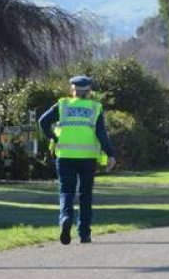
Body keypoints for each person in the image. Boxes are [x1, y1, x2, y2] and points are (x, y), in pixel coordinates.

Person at [39, 75, 116, 245]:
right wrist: (111, 154)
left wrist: (53, 137)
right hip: (88, 158)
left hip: (65, 156)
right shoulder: (95, 108)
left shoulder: (63, 105)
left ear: (72, 90)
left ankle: (66, 217)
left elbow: (43, 121)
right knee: (85, 194)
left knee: (66, 191)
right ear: (89, 91)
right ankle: (84, 233)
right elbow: (101, 134)